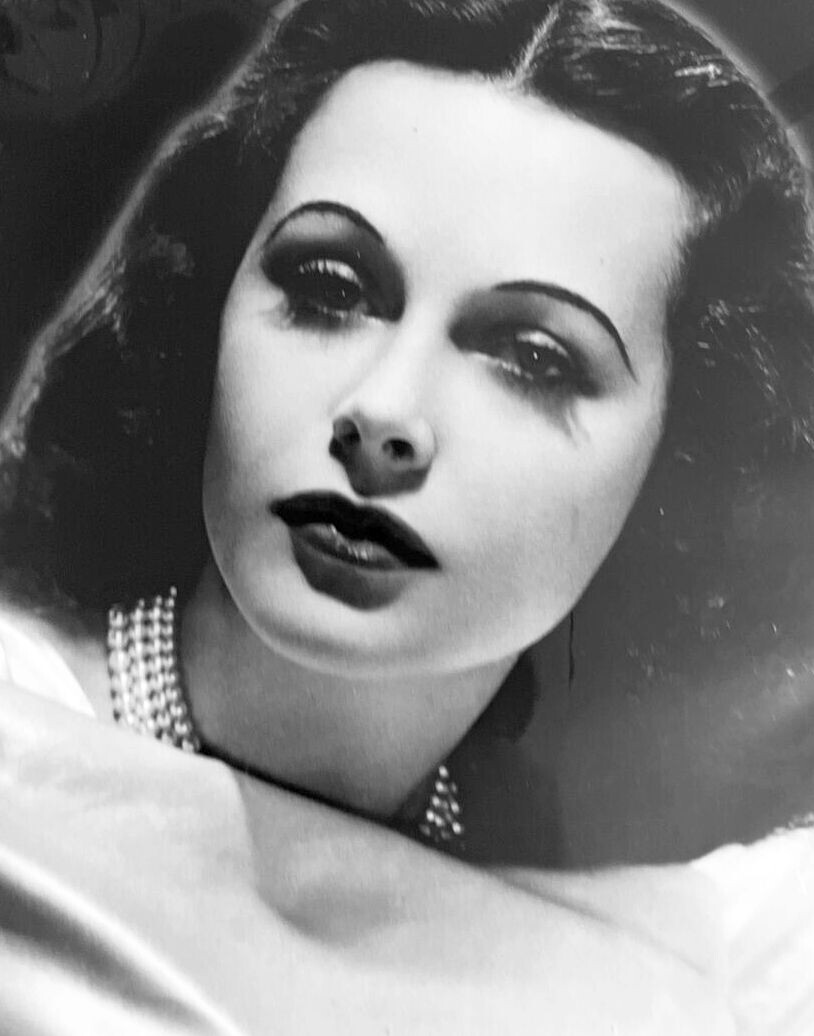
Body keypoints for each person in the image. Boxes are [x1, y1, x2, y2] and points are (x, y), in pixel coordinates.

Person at [0, 0, 811, 1031]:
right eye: (328, 287)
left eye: (533, 358)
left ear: (677, 471)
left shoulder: (681, 959)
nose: (384, 411)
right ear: (208, 306)